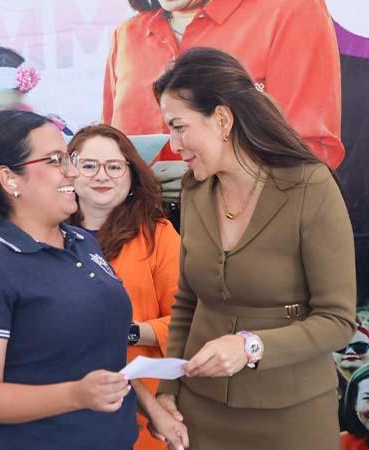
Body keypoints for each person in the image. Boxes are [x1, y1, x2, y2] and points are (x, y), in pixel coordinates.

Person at [0, 110, 185, 450]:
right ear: (10, 179)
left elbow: (102, 358)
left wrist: (151, 407)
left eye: (68, 158)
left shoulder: (83, 243)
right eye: (56, 161)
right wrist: (76, 395)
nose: (71, 171)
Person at [151, 47, 356, 450]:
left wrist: (251, 346)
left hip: (291, 416)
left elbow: (338, 320)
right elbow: (187, 303)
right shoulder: (195, 190)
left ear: (222, 119)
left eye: (179, 126)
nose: (173, 144)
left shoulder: (309, 186)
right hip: (201, 410)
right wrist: (168, 390)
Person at [104, 0, 344, 211]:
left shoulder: (291, 9)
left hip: (248, 231)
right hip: (138, 233)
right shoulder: (126, 36)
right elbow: (105, 147)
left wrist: (212, 189)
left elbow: (310, 152)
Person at [66, 124, 183, 450]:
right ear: (68, 172)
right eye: (88, 165)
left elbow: (187, 321)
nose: (101, 175)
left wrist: (130, 331)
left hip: (143, 407)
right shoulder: (46, 235)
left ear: (131, 176)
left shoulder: (158, 235)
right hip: (61, 402)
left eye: (114, 166)